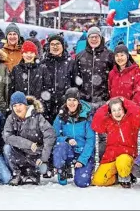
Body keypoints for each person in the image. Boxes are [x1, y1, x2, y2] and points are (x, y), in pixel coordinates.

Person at [76, 26, 114, 161]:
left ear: (101, 38)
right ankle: (88, 165)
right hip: (85, 102)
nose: (94, 39)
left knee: (103, 136)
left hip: (103, 101)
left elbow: (114, 76)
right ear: (87, 39)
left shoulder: (109, 55)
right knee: (87, 135)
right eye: (91, 37)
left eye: (96, 36)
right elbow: (75, 79)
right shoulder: (80, 56)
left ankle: (103, 163)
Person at [3, 91, 56, 186]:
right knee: (7, 148)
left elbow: (50, 134)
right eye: (14, 105)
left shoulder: (37, 117)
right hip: (20, 154)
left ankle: (35, 172)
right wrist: (28, 144)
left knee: (43, 169)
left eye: (20, 104)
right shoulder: (11, 119)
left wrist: (44, 157)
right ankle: (17, 174)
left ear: (25, 105)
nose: (17, 108)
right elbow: (7, 136)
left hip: (36, 155)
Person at [91, 97, 140, 188]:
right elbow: (95, 124)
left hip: (127, 157)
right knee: (97, 180)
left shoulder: (131, 120)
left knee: (122, 160)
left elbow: (138, 112)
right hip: (111, 157)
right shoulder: (108, 122)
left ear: (124, 109)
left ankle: (126, 177)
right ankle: (117, 178)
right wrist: (105, 106)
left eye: (119, 109)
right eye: (114, 110)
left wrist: (125, 101)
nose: (117, 113)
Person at [52, 88, 95, 187]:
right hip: (69, 150)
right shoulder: (61, 116)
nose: (71, 103)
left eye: (74, 100)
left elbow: (90, 141)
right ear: (65, 101)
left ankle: (86, 169)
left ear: (78, 102)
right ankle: (62, 169)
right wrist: (66, 139)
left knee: (82, 182)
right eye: (69, 100)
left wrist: (82, 160)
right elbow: (54, 136)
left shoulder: (86, 116)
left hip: (83, 152)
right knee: (60, 145)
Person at [41, 34, 78, 123]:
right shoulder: (43, 64)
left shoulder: (71, 63)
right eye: (52, 44)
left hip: (65, 105)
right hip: (47, 106)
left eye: (58, 44)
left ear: (63, 46)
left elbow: (76, 85)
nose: (55, 47)